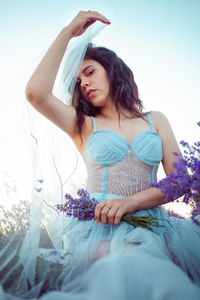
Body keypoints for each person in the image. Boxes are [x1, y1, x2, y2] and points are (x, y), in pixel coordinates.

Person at [1, 10, 200, 300]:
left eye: (90, 72)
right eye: (79, 82)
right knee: (129, 273)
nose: (84, 84)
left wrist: (130, 202)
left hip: (155, 226)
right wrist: (68, 32)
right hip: (100, 227)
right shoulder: (82, 124)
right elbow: (36, 93)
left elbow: (180, 180)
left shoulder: (154, 119)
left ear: (112, 70)